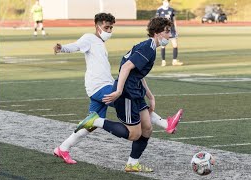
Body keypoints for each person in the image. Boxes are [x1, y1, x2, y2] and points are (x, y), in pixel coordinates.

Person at [53, 13, 183, 167]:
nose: (109, 30)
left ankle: (63, 148)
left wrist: (149, 94)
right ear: (97, 26)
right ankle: (164, 124)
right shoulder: (89, 38)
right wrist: (62, 48)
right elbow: (76, 46)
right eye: (106, 27)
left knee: (91, 124)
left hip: (103, 85)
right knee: (132, 105)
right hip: (99, 87)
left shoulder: (101, 43)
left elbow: (134, 70)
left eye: (111, 27)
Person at [155, 0, 183, 66]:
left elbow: (174, 20)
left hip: (172, 30)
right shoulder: (159, 10)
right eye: (165, 1)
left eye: (167, 1)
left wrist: (176, 29)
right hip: (163, 31)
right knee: (163, 46)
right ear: (163, 2)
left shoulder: (171, 10)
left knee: (175, 45)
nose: (166, 3)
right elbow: (157, 21)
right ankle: (163, 61)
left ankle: (174, 61)